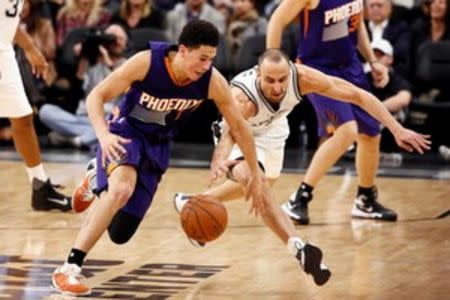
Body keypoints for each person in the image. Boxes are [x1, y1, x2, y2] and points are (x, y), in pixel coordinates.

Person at [51, 20, 272, 296]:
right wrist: (104, 136)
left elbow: (240, 128)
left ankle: (95, 176)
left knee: (120, 233)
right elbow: (97, 95)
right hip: (126, 132)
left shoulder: (211, 81)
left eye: (211, 59)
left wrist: (255, 174)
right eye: (202, 58)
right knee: (120, 189)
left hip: (157, 145)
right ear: (182, 50)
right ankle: (69, 267)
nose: (206, 66)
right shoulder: (146, 62)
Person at [175, 49, 428, 286]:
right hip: (239, 133)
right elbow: (232, 134)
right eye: (270, 80)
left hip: (273, 129)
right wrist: (221, 160)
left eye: (282, 79)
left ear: (291, 71)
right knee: (255, 181)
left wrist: (397, 129)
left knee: (264, 183)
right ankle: (298, 247)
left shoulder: (303, 77)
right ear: (257, 73)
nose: (277, 87)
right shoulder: (244, 98)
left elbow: (358, 95)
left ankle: (192, 201)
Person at [267, 0, 401, 224]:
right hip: (316, 69)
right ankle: (299, 198)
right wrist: (272, 63)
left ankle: (365, 199)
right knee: (346, 131)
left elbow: (356, 25)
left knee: (371, 134)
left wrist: (372, 60)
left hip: (350, 66)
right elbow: (276, 21)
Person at [0, 0, 71, 211]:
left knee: (23, 117)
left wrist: (30, 48)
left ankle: (40, 188)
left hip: (4, 53)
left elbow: (6, 21)